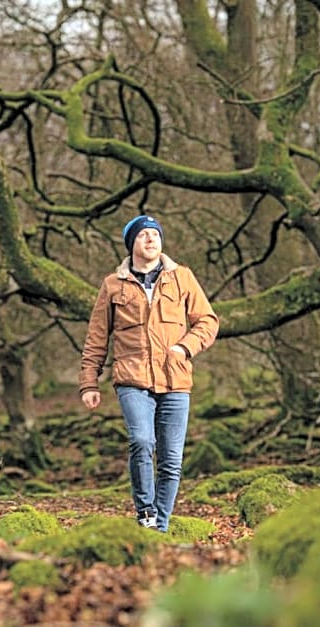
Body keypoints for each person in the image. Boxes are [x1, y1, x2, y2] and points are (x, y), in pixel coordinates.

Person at [80, 214, 219, 532]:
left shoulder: (182, 277)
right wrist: (89, 382)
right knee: (142, 441)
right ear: (132, 244)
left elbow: (207, 321)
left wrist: (185, 348)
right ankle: (145, 513)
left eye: (155, 234)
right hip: (132, 377)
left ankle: (161, 525)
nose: (151, 239)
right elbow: (97, 337)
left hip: (176, 378)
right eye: (143, 234)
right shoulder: (113, 285)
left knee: (171, 459)